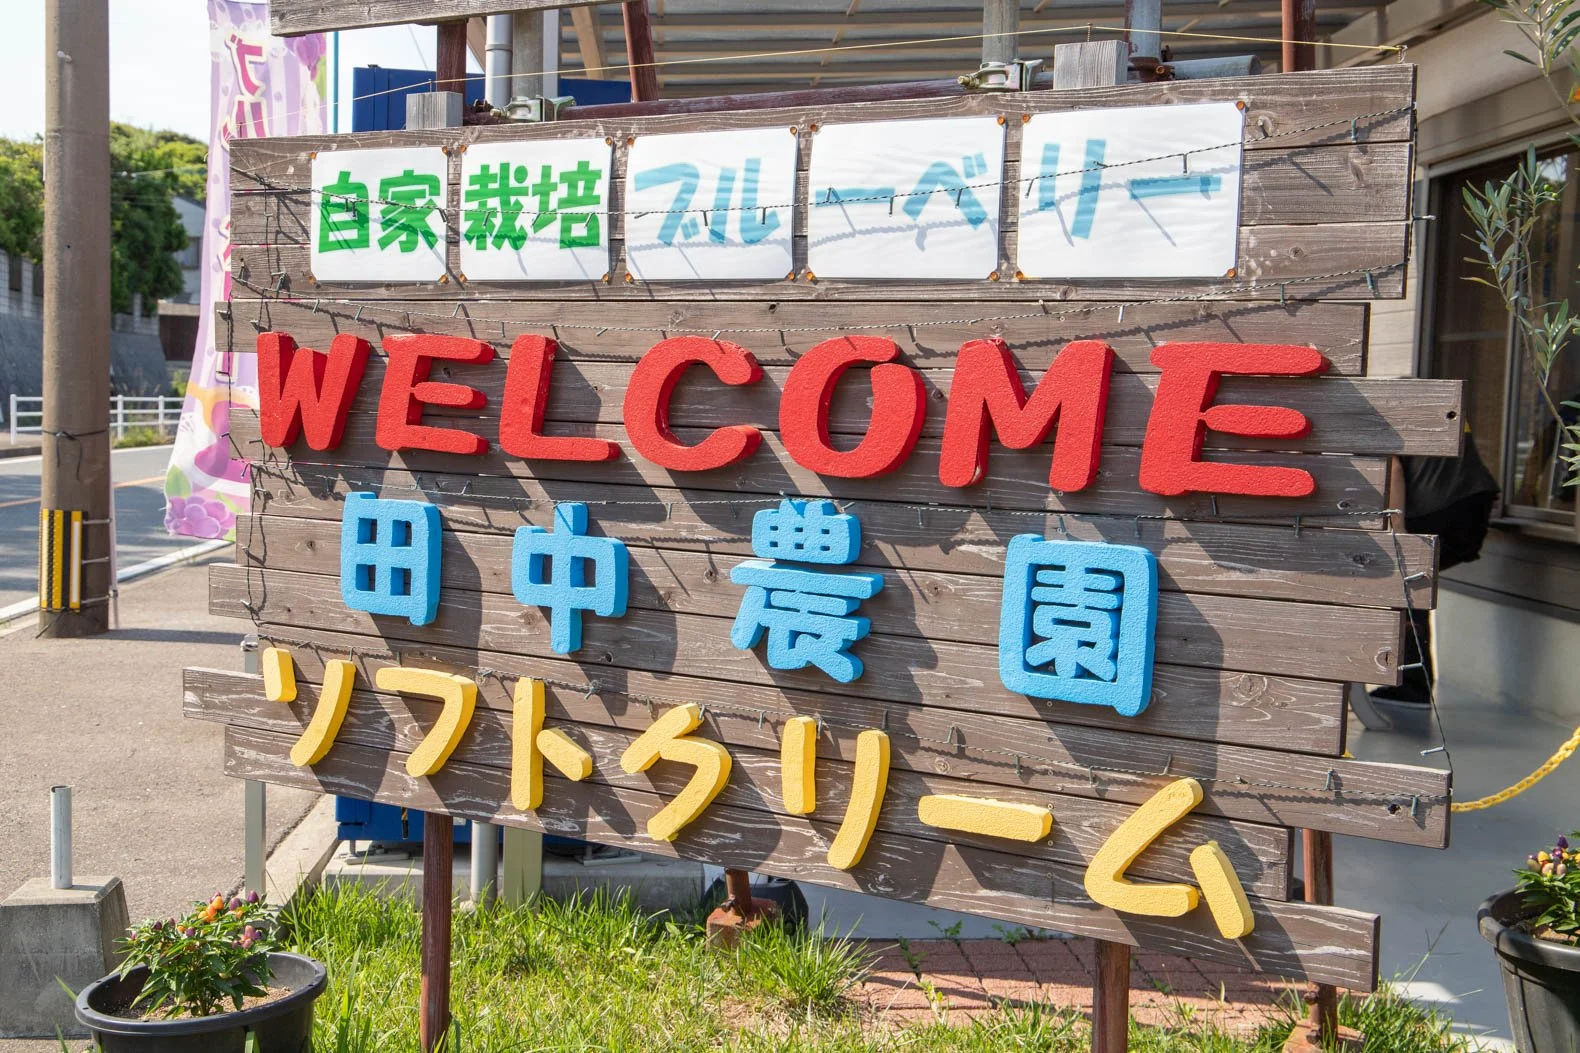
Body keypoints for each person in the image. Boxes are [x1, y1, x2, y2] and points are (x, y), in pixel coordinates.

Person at [1370, 426, 1499, 704]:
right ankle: (1412, 682)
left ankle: (1412, 686)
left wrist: (1398, 532)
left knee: (1404, 583)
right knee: (1411, 585)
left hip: (1434, 505)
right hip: (1475, 500)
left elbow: (1392, 469)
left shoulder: (1374, 412)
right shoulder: (1422, 406)